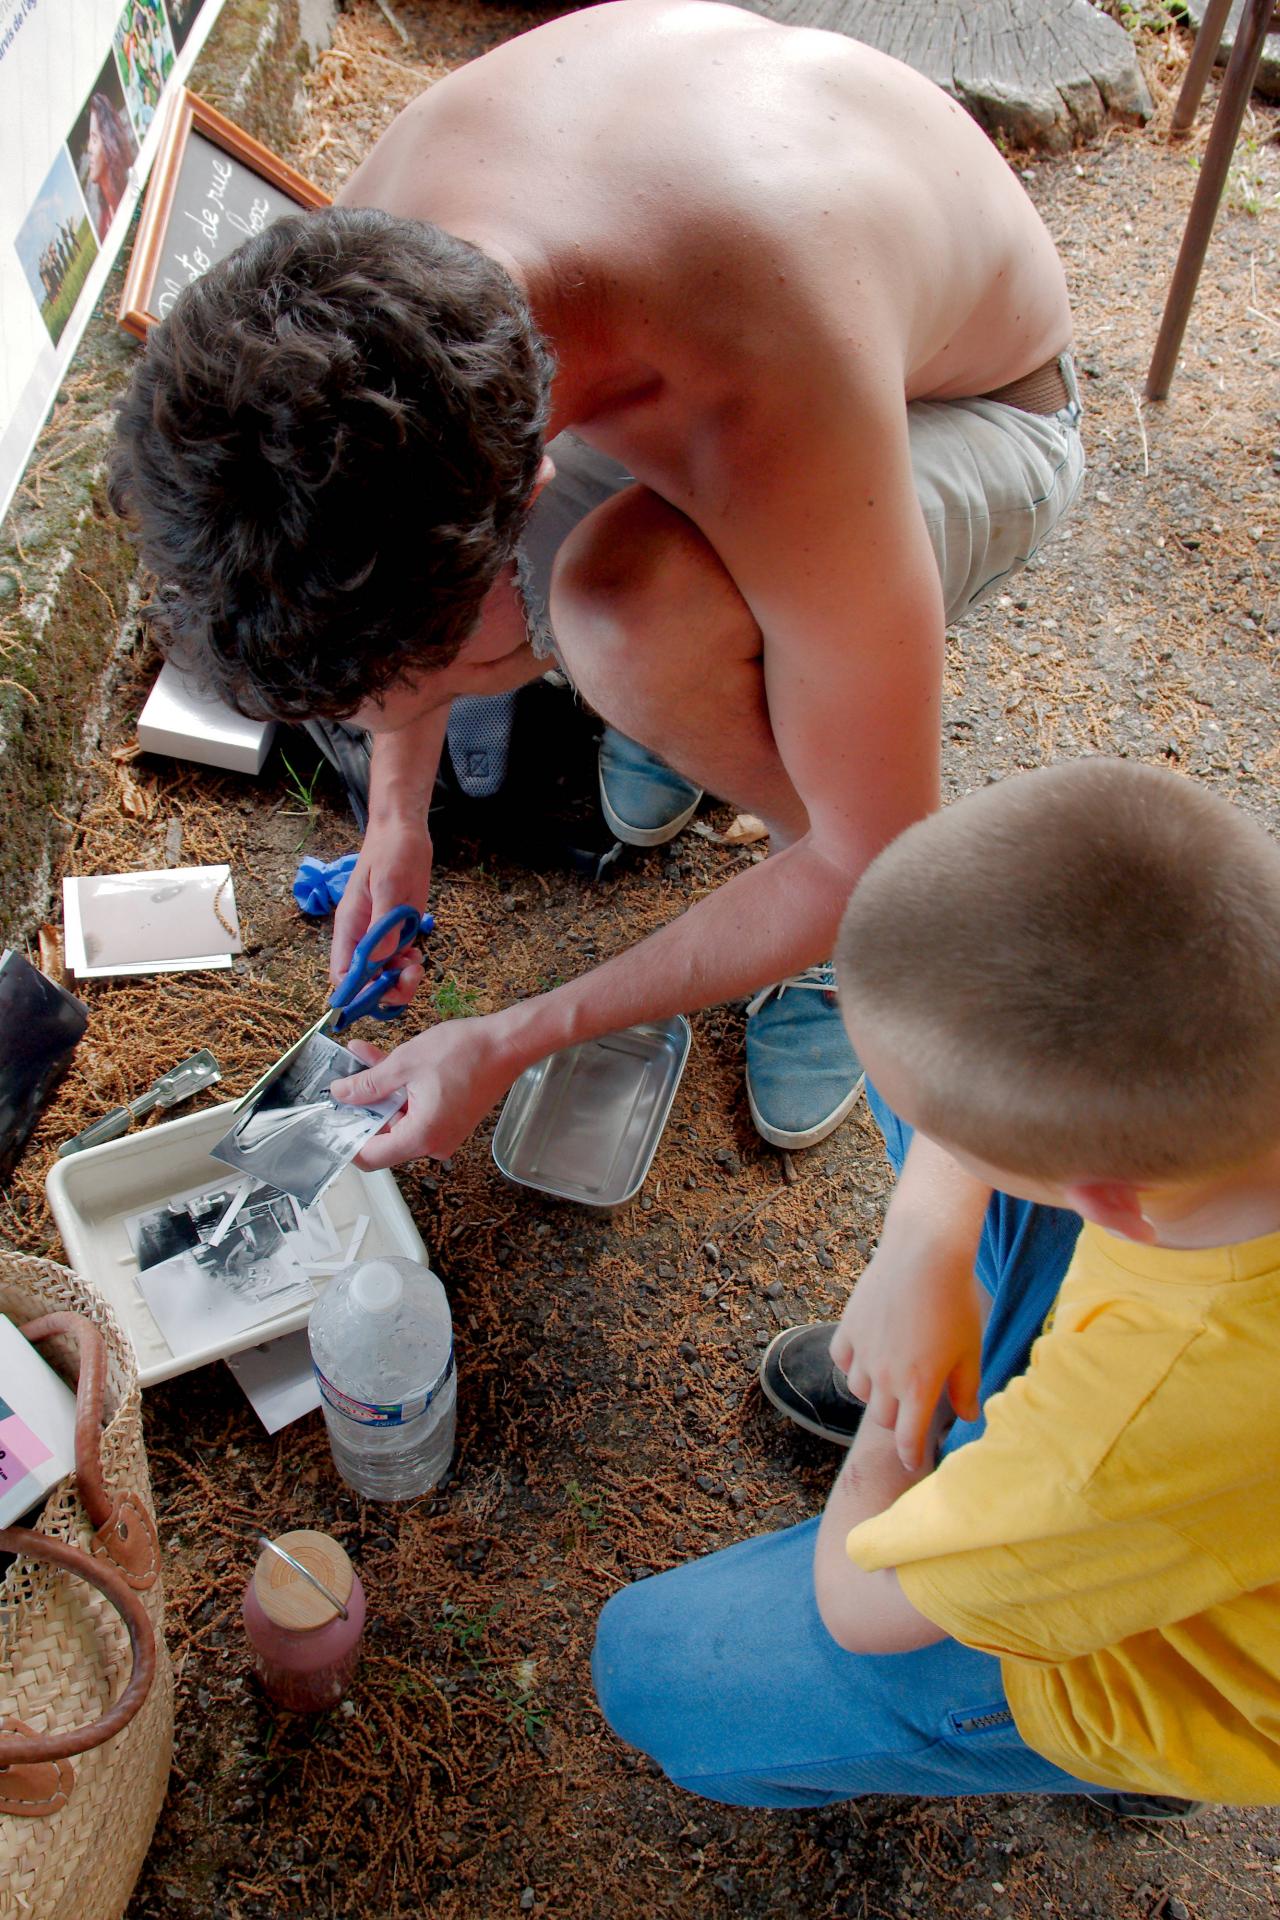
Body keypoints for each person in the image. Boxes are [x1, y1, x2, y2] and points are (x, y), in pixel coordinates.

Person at [109, 0, 1083, 1164]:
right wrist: (394, 817)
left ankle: (792, 893)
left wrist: (513, 1037)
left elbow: (879, 857)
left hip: (973, 401)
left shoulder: (764, 376)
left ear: (523, 496)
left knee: (623, 622)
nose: (420, 711)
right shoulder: (347, 293)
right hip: (665, 283)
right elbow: (378, 564)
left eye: (441, 681)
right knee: (589, 630)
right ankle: (689, 709)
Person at [591, 759, 1280, 1810]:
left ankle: (1136, 1764)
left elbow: (861, 1607)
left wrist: (896, 1420)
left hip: (1168, 1650)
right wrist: (919, 1247)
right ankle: (980, 1395)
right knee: (944, 1011)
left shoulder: (1118, 1435)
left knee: (647, 1668)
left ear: (1104, 1200)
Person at [82, 92, 136, 241]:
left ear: (107, 142)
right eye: (89, 140)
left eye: (94, 139)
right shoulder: (104, 221)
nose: (88, 149)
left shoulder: (130, 191)